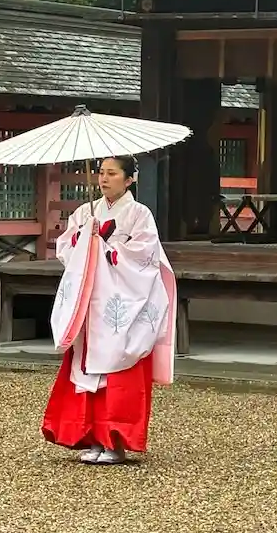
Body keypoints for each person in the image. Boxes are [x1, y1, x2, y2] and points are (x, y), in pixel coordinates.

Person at [43, 155, 177, 465]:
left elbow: (145, 255)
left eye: (112, 173)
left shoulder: (139, 214)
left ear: (129, 180)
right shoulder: (84, 212)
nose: (103, 178)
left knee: (119, 369)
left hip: (123, 301)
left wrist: (107, 249)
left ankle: (115, 441)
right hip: (92, 300)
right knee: (87, 369)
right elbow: (66, 247)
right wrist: (84, 239)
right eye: (101, 172)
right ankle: (92, 437)